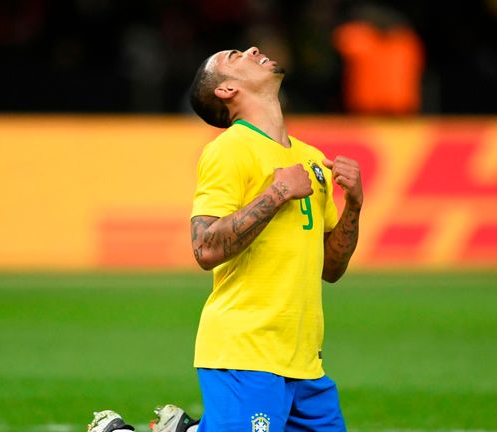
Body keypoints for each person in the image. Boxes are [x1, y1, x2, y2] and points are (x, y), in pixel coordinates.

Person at [87, 46, 362, 432]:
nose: (252, 49)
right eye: (235, 56)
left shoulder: (311, 157)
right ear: (226, 90)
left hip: (304, 361)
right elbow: (205, 248)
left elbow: (330, 268)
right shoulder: (229, 150)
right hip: (245, 352)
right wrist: (276, 194)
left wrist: (354, 205)